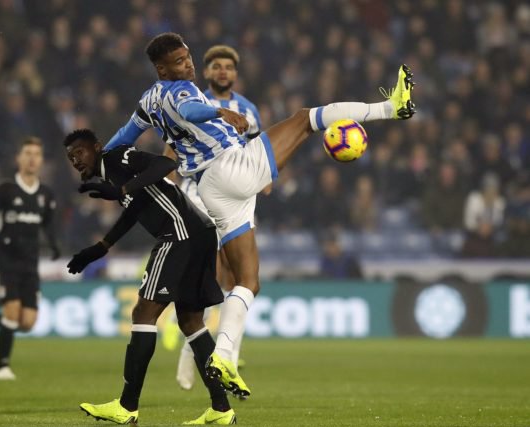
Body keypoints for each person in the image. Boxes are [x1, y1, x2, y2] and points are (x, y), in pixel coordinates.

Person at [105, 32, 415, 396]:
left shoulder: (149, 101)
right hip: (231, 168)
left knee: (248, 282)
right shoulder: (181, 91)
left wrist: (99, 163)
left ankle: (223, 357)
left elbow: (121, 139)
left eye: (188, 57)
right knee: (304, 119)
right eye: (179, 61)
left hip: (212, 188)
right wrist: (219, 110)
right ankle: (392, 108)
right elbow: (190, 110)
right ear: (161, 68)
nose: (188, 65)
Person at [65, 128, 236, 425]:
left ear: (97, 147)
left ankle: (127, 405)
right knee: (191, 321)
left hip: (179, 234)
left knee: (143, 312)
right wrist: (102, 246)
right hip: (199, 233)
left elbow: (165, 166)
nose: (76, 160)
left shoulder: (117, 157)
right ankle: (222, 408)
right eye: (71, 158)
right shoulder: (114, 176)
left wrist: (121, 191)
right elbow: (137, 208)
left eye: (79, 152)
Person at [166, 44, 262, 392]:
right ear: (206, 72)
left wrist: (261, 183)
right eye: (216, 67)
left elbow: (256, 150)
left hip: (238, 199)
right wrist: (168, 182)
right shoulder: (193, 103)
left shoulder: (249, 109)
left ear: (235, 74)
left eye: (228, 68)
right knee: (210, 279)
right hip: (200, 198)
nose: (223, 72)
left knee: (238, 281)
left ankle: (229, 361)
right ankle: (193, 354)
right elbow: (171, 149)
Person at [0, 136, 59, 381]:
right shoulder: (5, 190)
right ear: (18, 158)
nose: (32, 158)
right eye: (27, 153)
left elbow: (49, 224)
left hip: (31, 263)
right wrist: (1, 238)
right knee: (12, 312)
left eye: (36, 154)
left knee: (28, 322)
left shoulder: (45, 194)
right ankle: (2, 367)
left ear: (41, 161)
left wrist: (53, 246)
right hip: (6, 260)